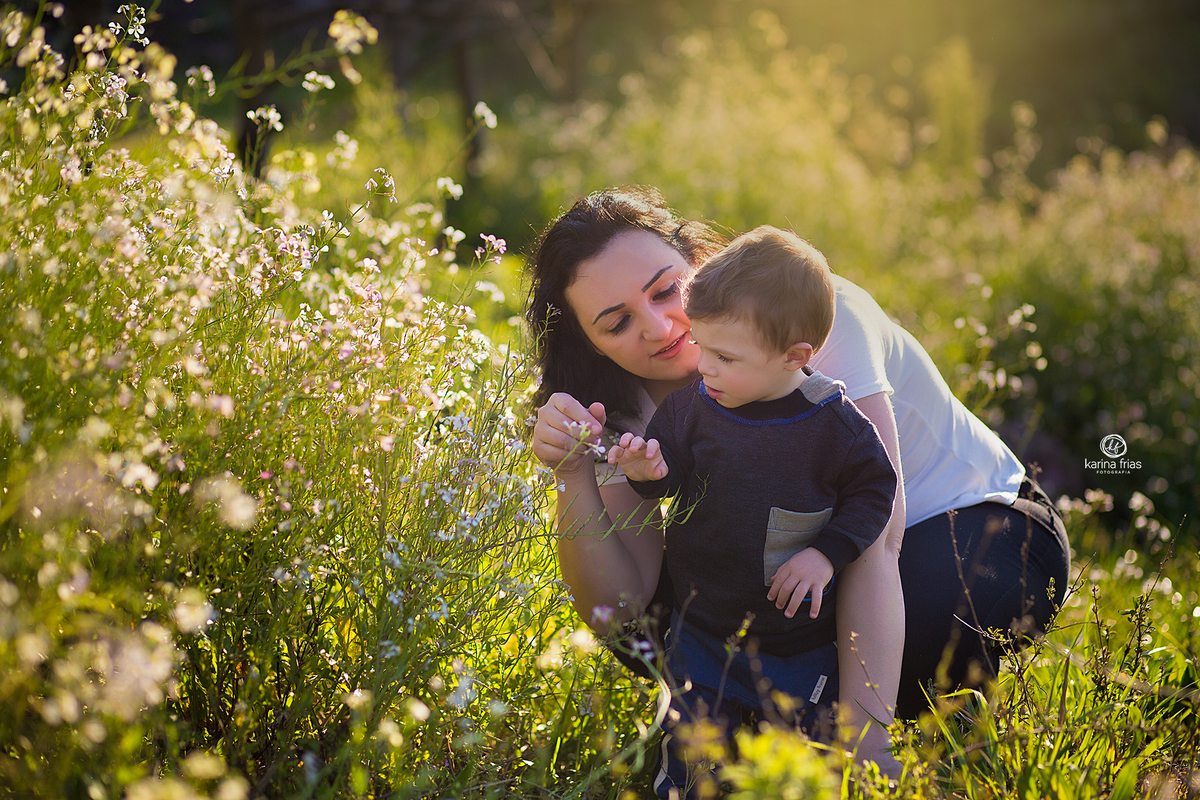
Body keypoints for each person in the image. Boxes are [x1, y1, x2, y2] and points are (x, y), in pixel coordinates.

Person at [526, 187, 1070, 774]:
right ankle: (739, 723)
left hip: (975, 532)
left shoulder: (806, 316)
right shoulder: (616, 401)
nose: (660, 328)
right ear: (589, 343)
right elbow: (621, 606)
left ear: (698, 262)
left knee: (921, 628)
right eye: (617, 324)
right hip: (807, 567)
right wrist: (573, 474)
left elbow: (877, 539)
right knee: (655, 625)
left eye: (667, 290)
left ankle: (851, 731)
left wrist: (865, 750)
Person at [607, 226, 897, 797]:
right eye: (703, 346)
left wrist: (825, 554)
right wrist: (647, 475)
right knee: (690, 754)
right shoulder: (697, 406)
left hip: (797, 641)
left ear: (794, 357)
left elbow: (875, 495)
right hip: (702, 629)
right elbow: (670, 481)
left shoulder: (833, 426)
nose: (703, 366)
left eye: (724, 356)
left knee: (798, 762)